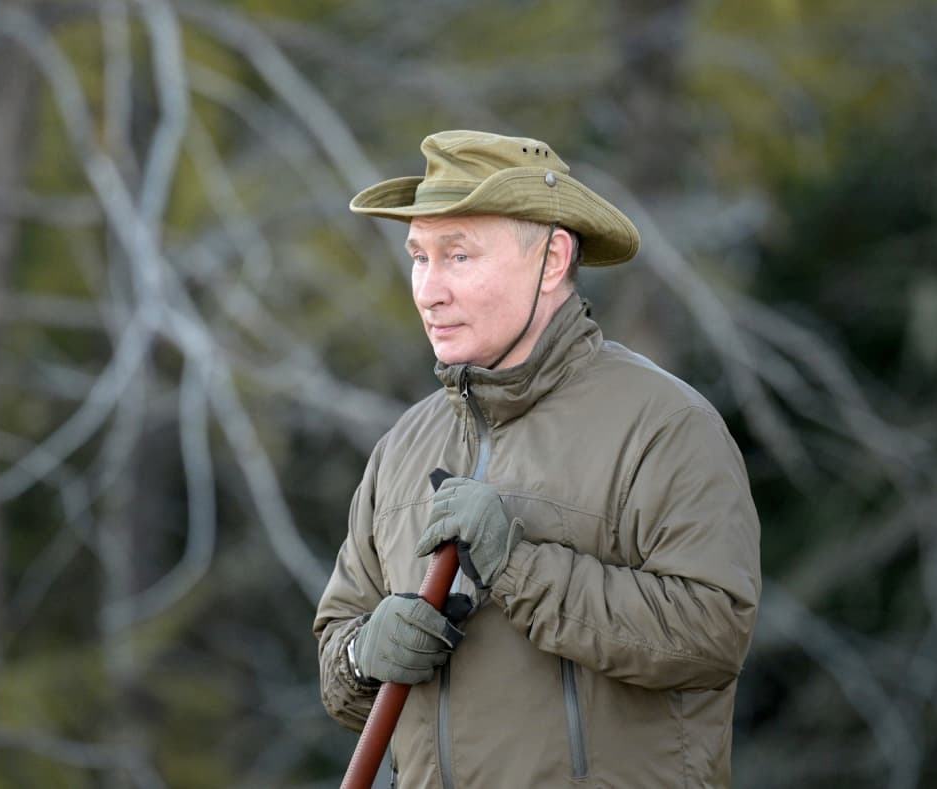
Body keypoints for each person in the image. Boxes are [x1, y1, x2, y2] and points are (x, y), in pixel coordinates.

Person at [314, 130, 761, 788]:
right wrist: (363, 654)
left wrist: (517, 566)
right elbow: (339, 668)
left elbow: (711, 637)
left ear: (552, 260)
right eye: (419, 257)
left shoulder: (665, 426)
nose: (429, 290)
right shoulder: (402, 447)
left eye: (458, 256)